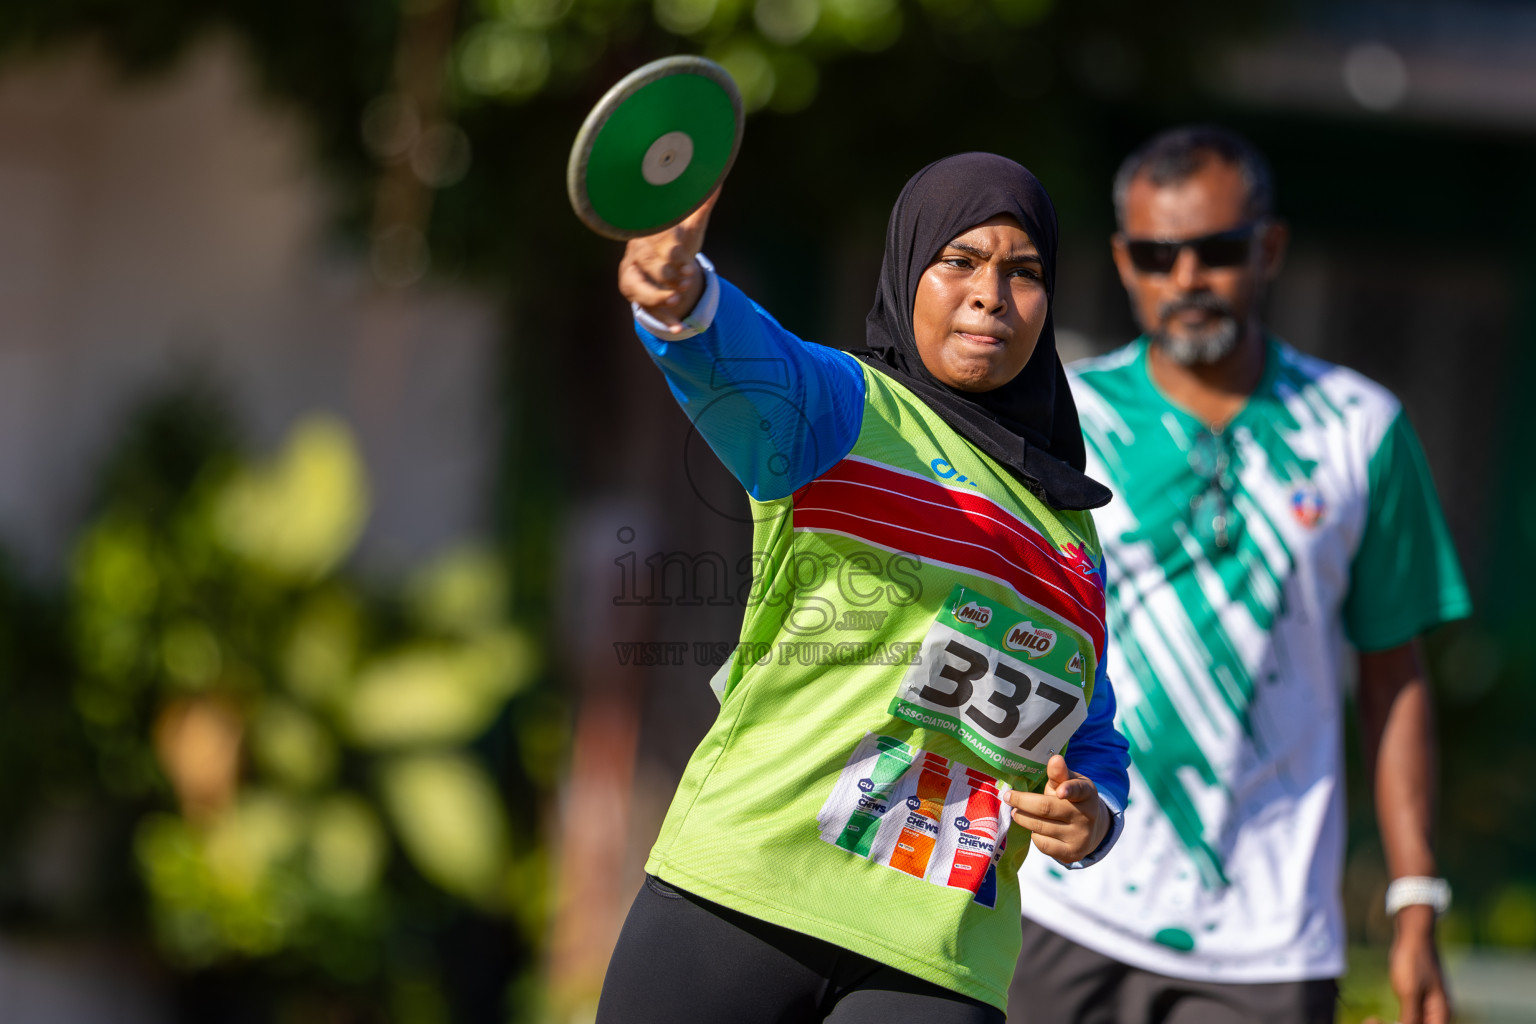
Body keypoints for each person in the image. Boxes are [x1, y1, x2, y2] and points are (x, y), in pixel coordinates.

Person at [594, 153, 1131, 1023]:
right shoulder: (847, 409)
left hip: (938, 957)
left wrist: (1093, 815)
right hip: (743, 894)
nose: (991, 293)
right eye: (958, 260)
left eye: (1023, 271)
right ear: (906, 272)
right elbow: (739, 359)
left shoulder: (1074, 537)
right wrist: (679, 294)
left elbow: (1089, 723)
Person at [1011, 126, 1469, 1024]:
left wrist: (1416, 896)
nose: (1186, 279)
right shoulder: (1066, 419)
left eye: (1216, 250)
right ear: (1123, 261)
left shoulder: (1359, 430)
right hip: (1068, 898)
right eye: (1156, 254)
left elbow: (1393, 677)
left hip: (1268, 936)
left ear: (1269, 249)